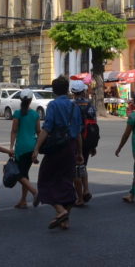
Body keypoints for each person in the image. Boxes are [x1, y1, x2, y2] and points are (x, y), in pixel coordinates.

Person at [32, 76, 82, 230]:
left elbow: (46, 129)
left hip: (56, 148)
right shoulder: (75, 107)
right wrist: (79, 152)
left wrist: (36, 149)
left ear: (53, 91)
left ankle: (60, 211)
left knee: (45, 180)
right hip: (71, 147)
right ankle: (66, 219)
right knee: (67, 180)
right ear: (67, 89)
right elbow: (79, 132)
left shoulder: (53, 105)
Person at [9, 88, 41, 209]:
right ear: (31, 99)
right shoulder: (35, 114)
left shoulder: (17, 113)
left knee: (18, 174)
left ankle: (35, 192)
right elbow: (39, 132)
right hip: (32, 147)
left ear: (21, 99)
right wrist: (37, 149)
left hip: (21, 148)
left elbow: (14, 131)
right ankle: (23, 200)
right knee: (24, 173)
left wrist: (11, 147)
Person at [71, 80, 98, 205]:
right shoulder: (90, 104)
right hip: (89, 139)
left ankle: (80, 197)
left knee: (75, 168)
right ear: (83, 91)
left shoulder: (72, 105)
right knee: (83, 165)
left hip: (77, 140)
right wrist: (93, 145)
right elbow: (94, 123)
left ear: (73, 92)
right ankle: (86, 190)